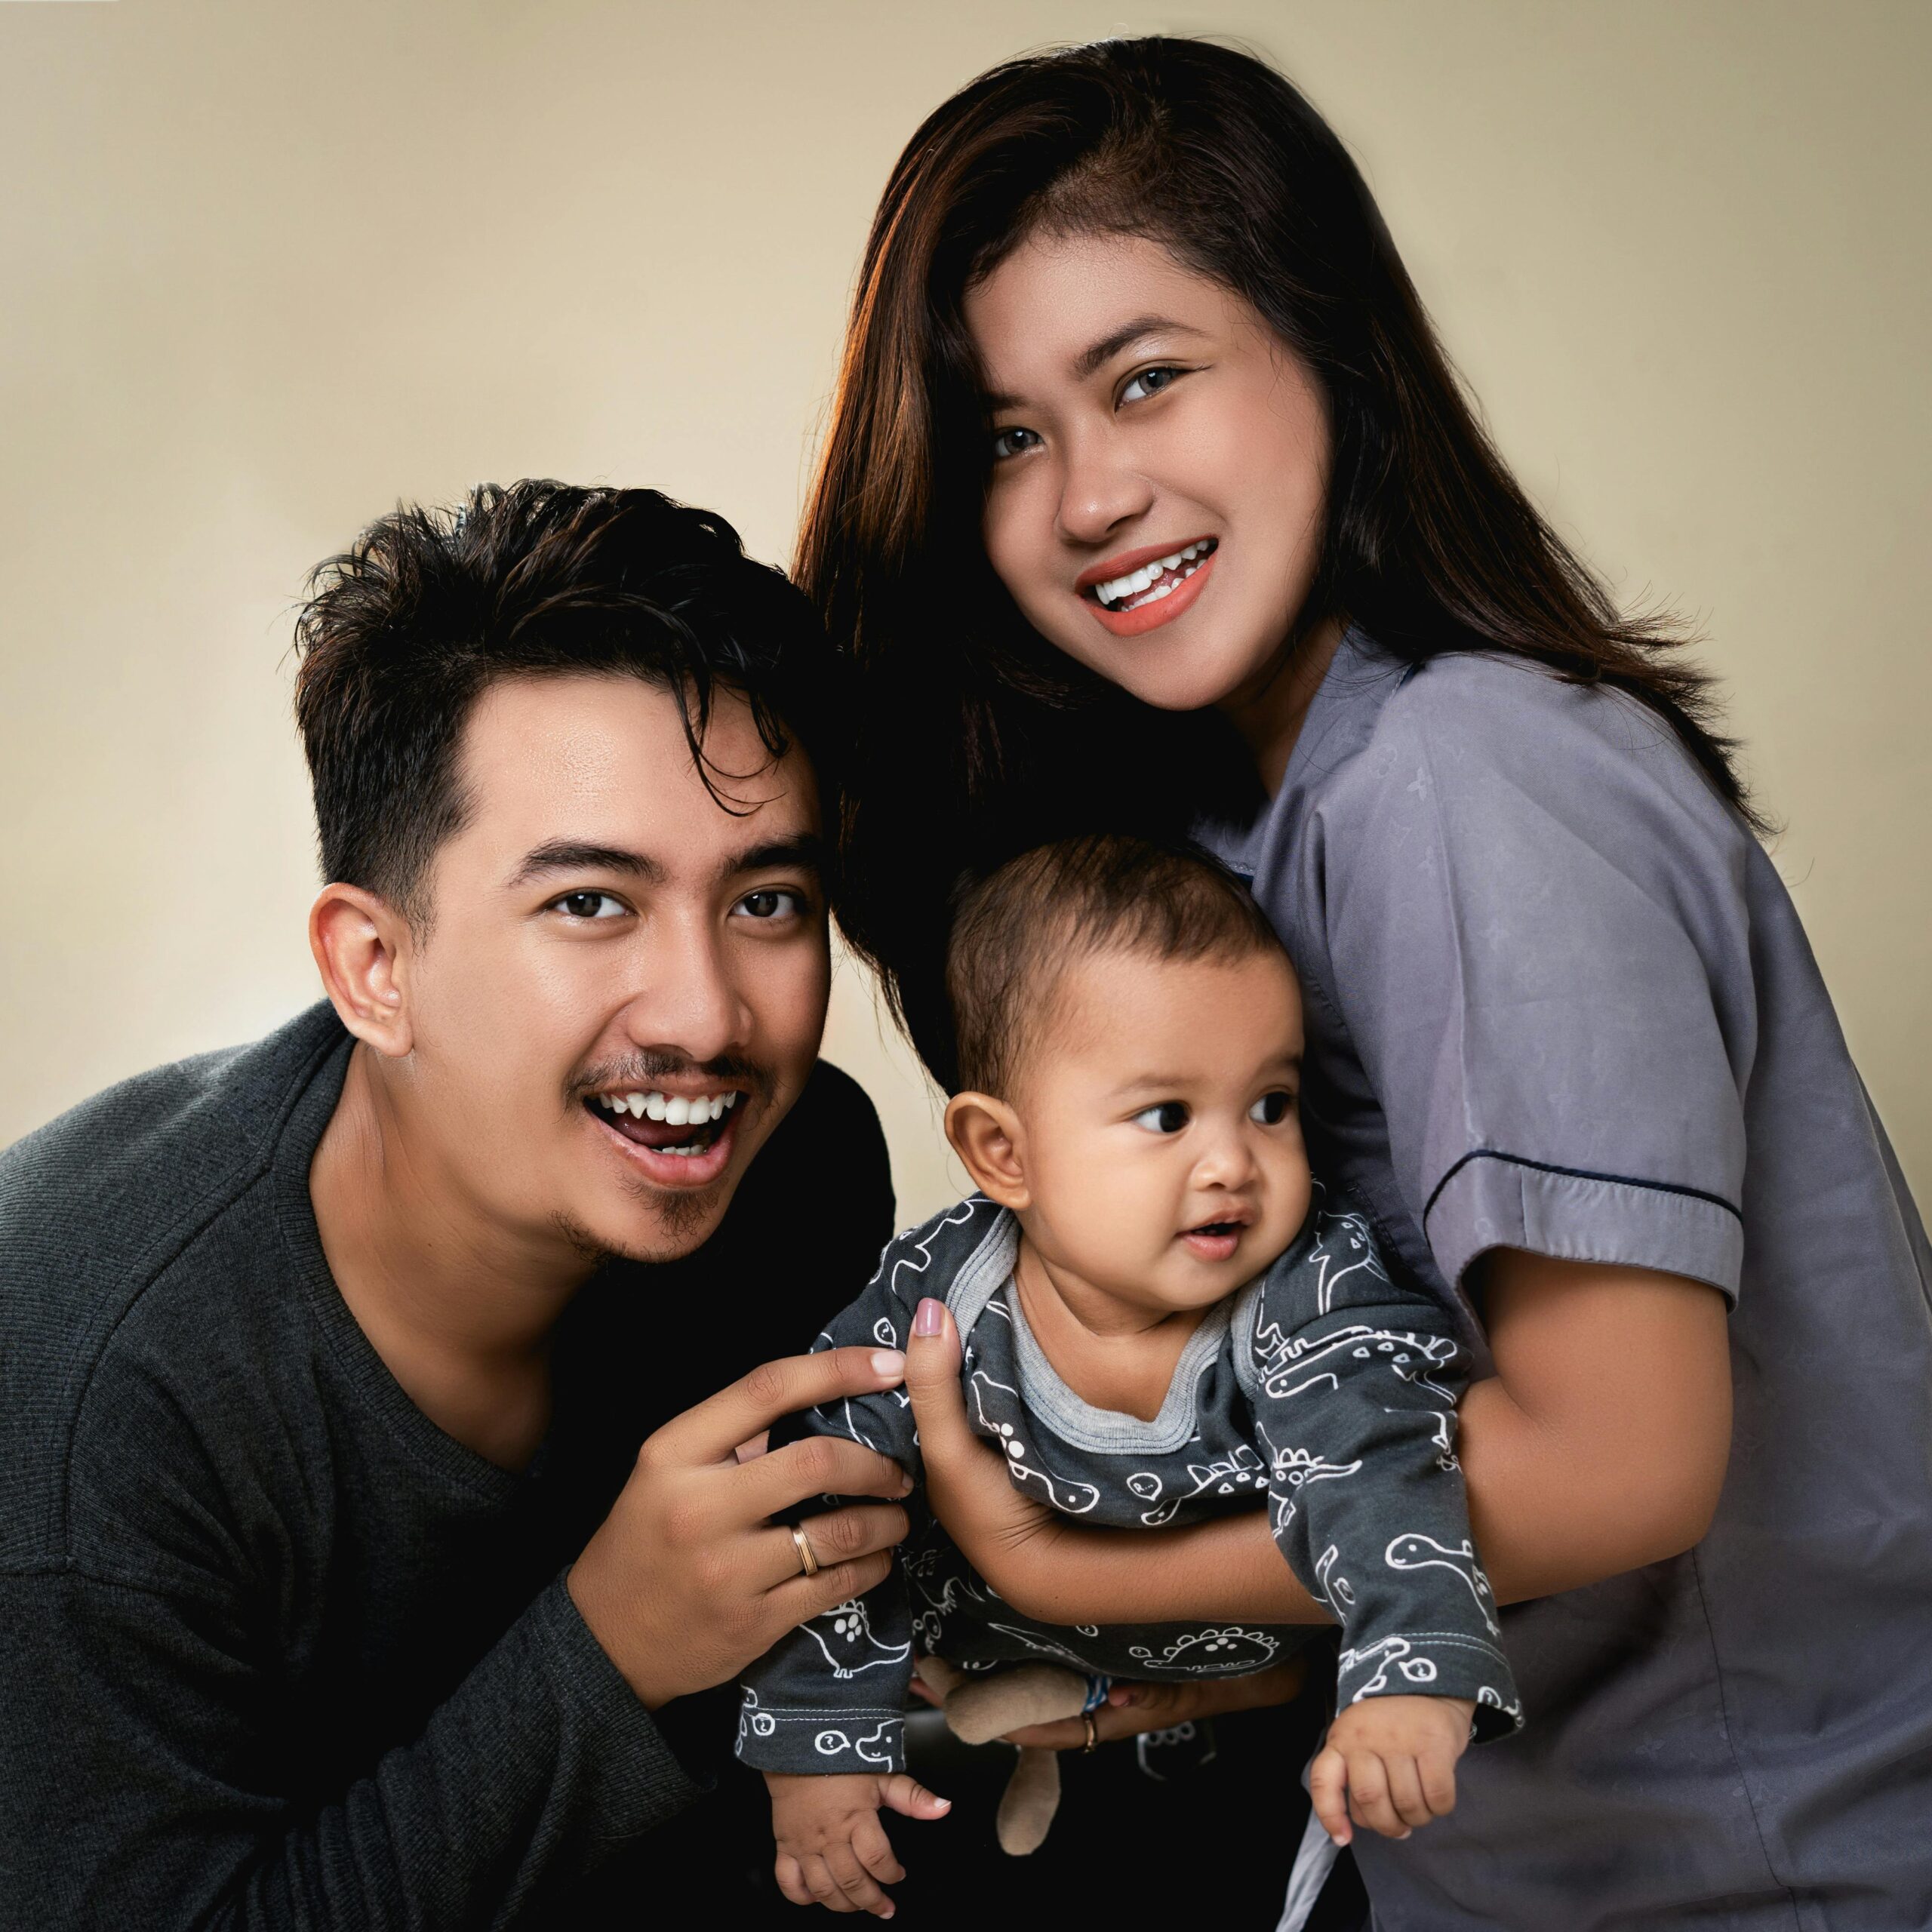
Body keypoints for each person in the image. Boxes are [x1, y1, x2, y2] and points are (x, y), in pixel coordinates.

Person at [792, 36, 1932, 1930]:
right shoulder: (1235, 825)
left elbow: (1622, 1461)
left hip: (1750, 1872)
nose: (1085, 497)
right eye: (1005, 437)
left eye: (1143, 379)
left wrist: (1067, 1568)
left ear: (1325, 347)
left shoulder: (1466, 775)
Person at [0, 481, 937, 1927]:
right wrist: (610, 1647)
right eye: (591, 904)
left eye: (765, 902)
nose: (706, 1018)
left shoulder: (788, 1176)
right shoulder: (95, 1404)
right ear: (375, 967)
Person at [740, 835, 1518, 1919]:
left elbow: (1382, 1475)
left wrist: (1408, 1675)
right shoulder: (941, 1294)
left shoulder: (1313, 1291)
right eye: (1167, 1117)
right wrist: (814, 1747)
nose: (1233, 1163)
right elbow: (829, 1492)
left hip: (1238, 1696)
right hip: (977, 1656)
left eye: (1272, 1104)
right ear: (1004, 1153)